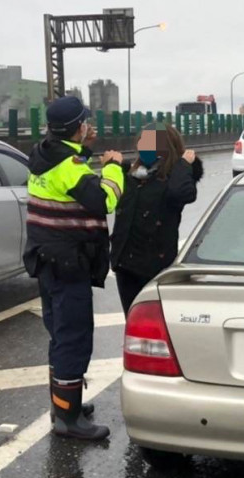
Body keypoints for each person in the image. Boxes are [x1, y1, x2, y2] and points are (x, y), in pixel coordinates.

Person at [24, 96, 125, 441]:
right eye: (86, 121)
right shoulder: (67, 164)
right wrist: (113, 166)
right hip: (68, 262)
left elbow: (70, 171)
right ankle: (67, 419)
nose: (90, 125)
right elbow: (104, 199)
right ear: (77, 127)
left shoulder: (44, 152)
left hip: (48, 259)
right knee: (73, 337)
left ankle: (63, 403)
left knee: (60, 334)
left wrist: (84, 151)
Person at [110, 121, 203, 316]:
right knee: (133, 323)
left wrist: (183, 165)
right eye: (141, 142)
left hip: (154, 266)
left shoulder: (173, 178)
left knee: (153, 327)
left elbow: (181, 194)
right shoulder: (132, 175)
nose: (141, 147)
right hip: (125, 265)